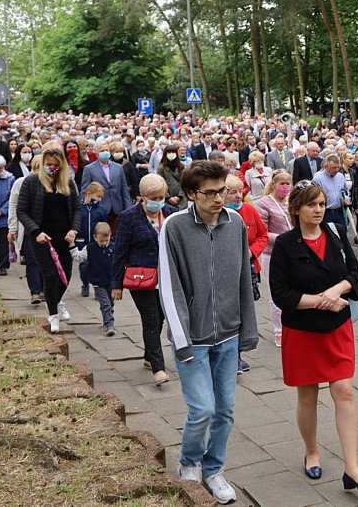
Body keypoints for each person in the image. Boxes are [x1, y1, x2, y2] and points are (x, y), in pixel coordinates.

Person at [159, 161, 258, 503]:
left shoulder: (236, 224)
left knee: (226, 409)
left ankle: (214, 469)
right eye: (211, 192)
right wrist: (181, 338)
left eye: (224, 190)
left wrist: (248, 331)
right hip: (193, 337)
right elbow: (169, 287)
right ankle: (189, 463)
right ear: (191, 193)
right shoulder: (174, 226)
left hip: (228, 335)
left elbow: (245, 278)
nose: (220, 198)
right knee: (202, 408)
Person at [268, 182, 358, 492]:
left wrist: (336, 290)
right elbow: (280, 293)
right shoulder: (287, 244)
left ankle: (352, 468)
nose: (318, 210)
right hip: (302, 331)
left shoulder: (337, 233)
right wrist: (320, 300)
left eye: (321, 204)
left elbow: (355, 274)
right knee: (308, 396)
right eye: (311, 205)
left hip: (337, 328)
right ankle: (312, 452)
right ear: (297, 209)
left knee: (345, 391)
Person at [111, 174, 177, 385]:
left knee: (159, 318)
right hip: (141, 278)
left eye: (162, 196)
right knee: (150, 319)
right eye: (154, 197)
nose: (158, 201)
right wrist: (116, 284)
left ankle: (149, 355)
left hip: (165, 276)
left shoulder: (170, 213)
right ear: (143, 197)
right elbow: (120, 251)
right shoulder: (129, 217)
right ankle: (158, 368)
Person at [17, 144, 81, 333]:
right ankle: (53, 315)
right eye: (49, 164)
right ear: (43, 162)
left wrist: (74, 230)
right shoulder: (31, 182)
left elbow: (77, 208)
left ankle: (57, 300)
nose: (52, 168)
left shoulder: (67, 182)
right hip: (41, 237)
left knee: (66, 275)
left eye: (56, 165)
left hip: (64, 236)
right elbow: (22, 211)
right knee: (50, 276)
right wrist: (36, 232)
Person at [225, 174, 268, 373]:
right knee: (229, 312)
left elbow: (262, 235)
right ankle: (231, 356)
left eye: (240, 191)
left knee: (245, 311)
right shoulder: (220, 213)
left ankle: (239, 354)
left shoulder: (250, 210)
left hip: (248, 269)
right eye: (232, 192)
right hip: (226, 271)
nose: (237, 196)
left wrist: (253, 251)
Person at [255, 169, 293, 347]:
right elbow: (261, 231)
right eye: (282, 183)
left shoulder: (292, 200)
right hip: (273, 253)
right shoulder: (264, 203)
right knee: (276, 294)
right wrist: (283, 239)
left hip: (293, 253)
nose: (285, 187)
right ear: (274, 185)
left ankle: (293, 326)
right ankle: (279, 331)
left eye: (288, 183)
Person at [8, 155, 44, 304]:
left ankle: (44, 289)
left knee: (45, 261)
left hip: (47, 229)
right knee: (32, 260)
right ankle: (35, 292)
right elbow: (14, 205)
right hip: (28, 229)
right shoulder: (21, 182)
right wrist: (12, 227)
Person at [71, 222, 118, 334]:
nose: (104, 243)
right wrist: (72, 245)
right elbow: (78, 257)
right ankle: (110, 324)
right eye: (101, 241)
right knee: (105, 304)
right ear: (95, 237)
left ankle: (106, 322)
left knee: (110, 304)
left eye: (106, 240)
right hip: (98, 282)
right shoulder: (90, 248)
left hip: (112, 282)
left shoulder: (114, 247)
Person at [81, 140, 132, 234]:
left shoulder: (118, 167)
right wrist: (85, 207)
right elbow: (85, 189)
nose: (105, 152)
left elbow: (124, 188)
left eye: (106, 150)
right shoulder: (89, 169)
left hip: (117, 207)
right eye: (102, 150)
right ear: (96, 154)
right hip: (98, 208)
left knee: (117, 234)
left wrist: (128, 207)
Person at [76, 182, 109, 297]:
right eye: (98, 196)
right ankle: (85, 284)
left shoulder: (101, 209)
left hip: (96, 242)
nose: (99, 200)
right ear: (89, 193)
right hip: (82, 240)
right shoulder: (79, 207)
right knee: (84, 265)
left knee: (97, 265)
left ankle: (97, 287)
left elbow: (105, 224)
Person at [312, 154, 351, 228]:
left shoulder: (340, 176)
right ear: (326, 166)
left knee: (341, 235)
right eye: (334, 168)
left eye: (338, 167)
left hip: (340, 212)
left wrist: (346, 198)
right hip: (326, 213)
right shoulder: (318, 179)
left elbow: (346, 190)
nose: (336, 170)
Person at [0, 155, 15, 276]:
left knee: (4, 242)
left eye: (0, 168)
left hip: (4, 216)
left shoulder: (10, 178)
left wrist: (2, 210)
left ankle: (2, 265)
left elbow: (12, 197)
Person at [158, 143, 187, 211]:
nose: (171, 154)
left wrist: (179, 196)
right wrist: (168, 197)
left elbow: (184, 182)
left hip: (181, 198)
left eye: (173, 152)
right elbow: (160, 184)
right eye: (169, 152)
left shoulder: (181, 166)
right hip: (167, 198)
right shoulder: (161, 168)